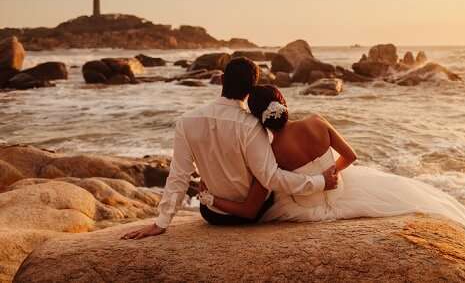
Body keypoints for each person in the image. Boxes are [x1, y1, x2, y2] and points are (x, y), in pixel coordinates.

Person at [201, 84, 465, 240]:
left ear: (257, 117)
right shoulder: (317, 122)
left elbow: (258, 198)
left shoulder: (269, 150)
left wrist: (212, 198)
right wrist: (331, 172)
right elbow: (351, 156)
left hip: (307, 209)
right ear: (283, 102)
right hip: (341, 191)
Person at [121, 58, 338, 240]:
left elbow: (179, 175)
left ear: (222, 80)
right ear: (252, 88)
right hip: (252, 214)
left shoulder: (187, 121)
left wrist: (161, 223)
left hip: (214, 214)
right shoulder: (252, 125)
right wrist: (320, 181)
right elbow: (270, 178)